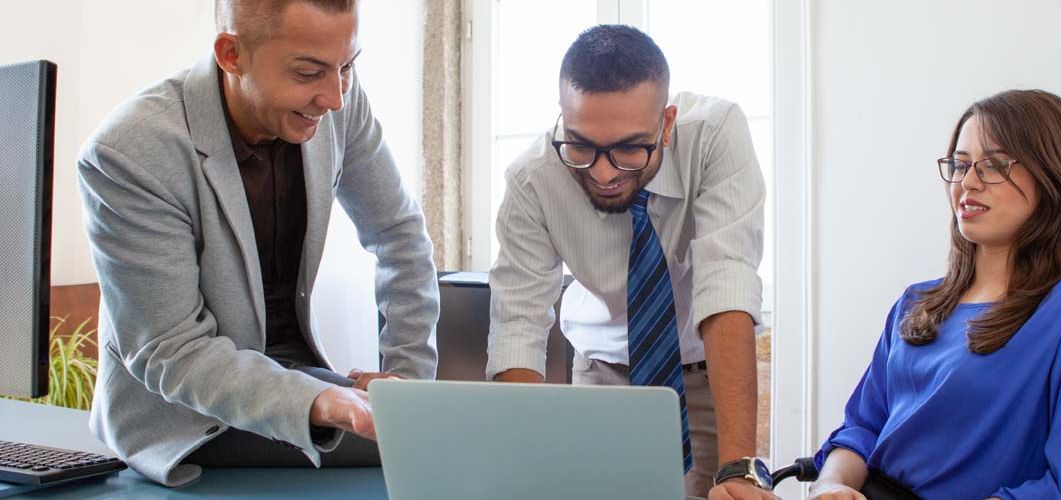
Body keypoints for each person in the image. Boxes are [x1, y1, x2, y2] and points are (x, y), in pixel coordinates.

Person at [77, 0, 438, 486]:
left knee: (437, 428)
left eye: (347, 66)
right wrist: (318, 401)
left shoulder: (339, 105)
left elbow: (399, 235)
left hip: (292, 376)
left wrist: (406, 381)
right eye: (309, 72)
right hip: (183, 414)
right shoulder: (129, 152)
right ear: (231, 54)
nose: (334, 97)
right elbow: (170, 349)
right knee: (433, 447)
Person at [486, 25, 776, 499]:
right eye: (581, 145)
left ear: (666, 123)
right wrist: (522, 455)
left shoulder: (716, 134)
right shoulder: (532, 179)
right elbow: (518, 325)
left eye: (628, 148)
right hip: (601, 374)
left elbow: (726, 284)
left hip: (705, 378)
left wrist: (739, 467)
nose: (603, 173)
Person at [809, 90, 1061, 499]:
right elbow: (862, 427)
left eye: (994, 165)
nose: (967, 182)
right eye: (961, 165)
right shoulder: (915, 304)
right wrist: (831, 485)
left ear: (1053, 176)